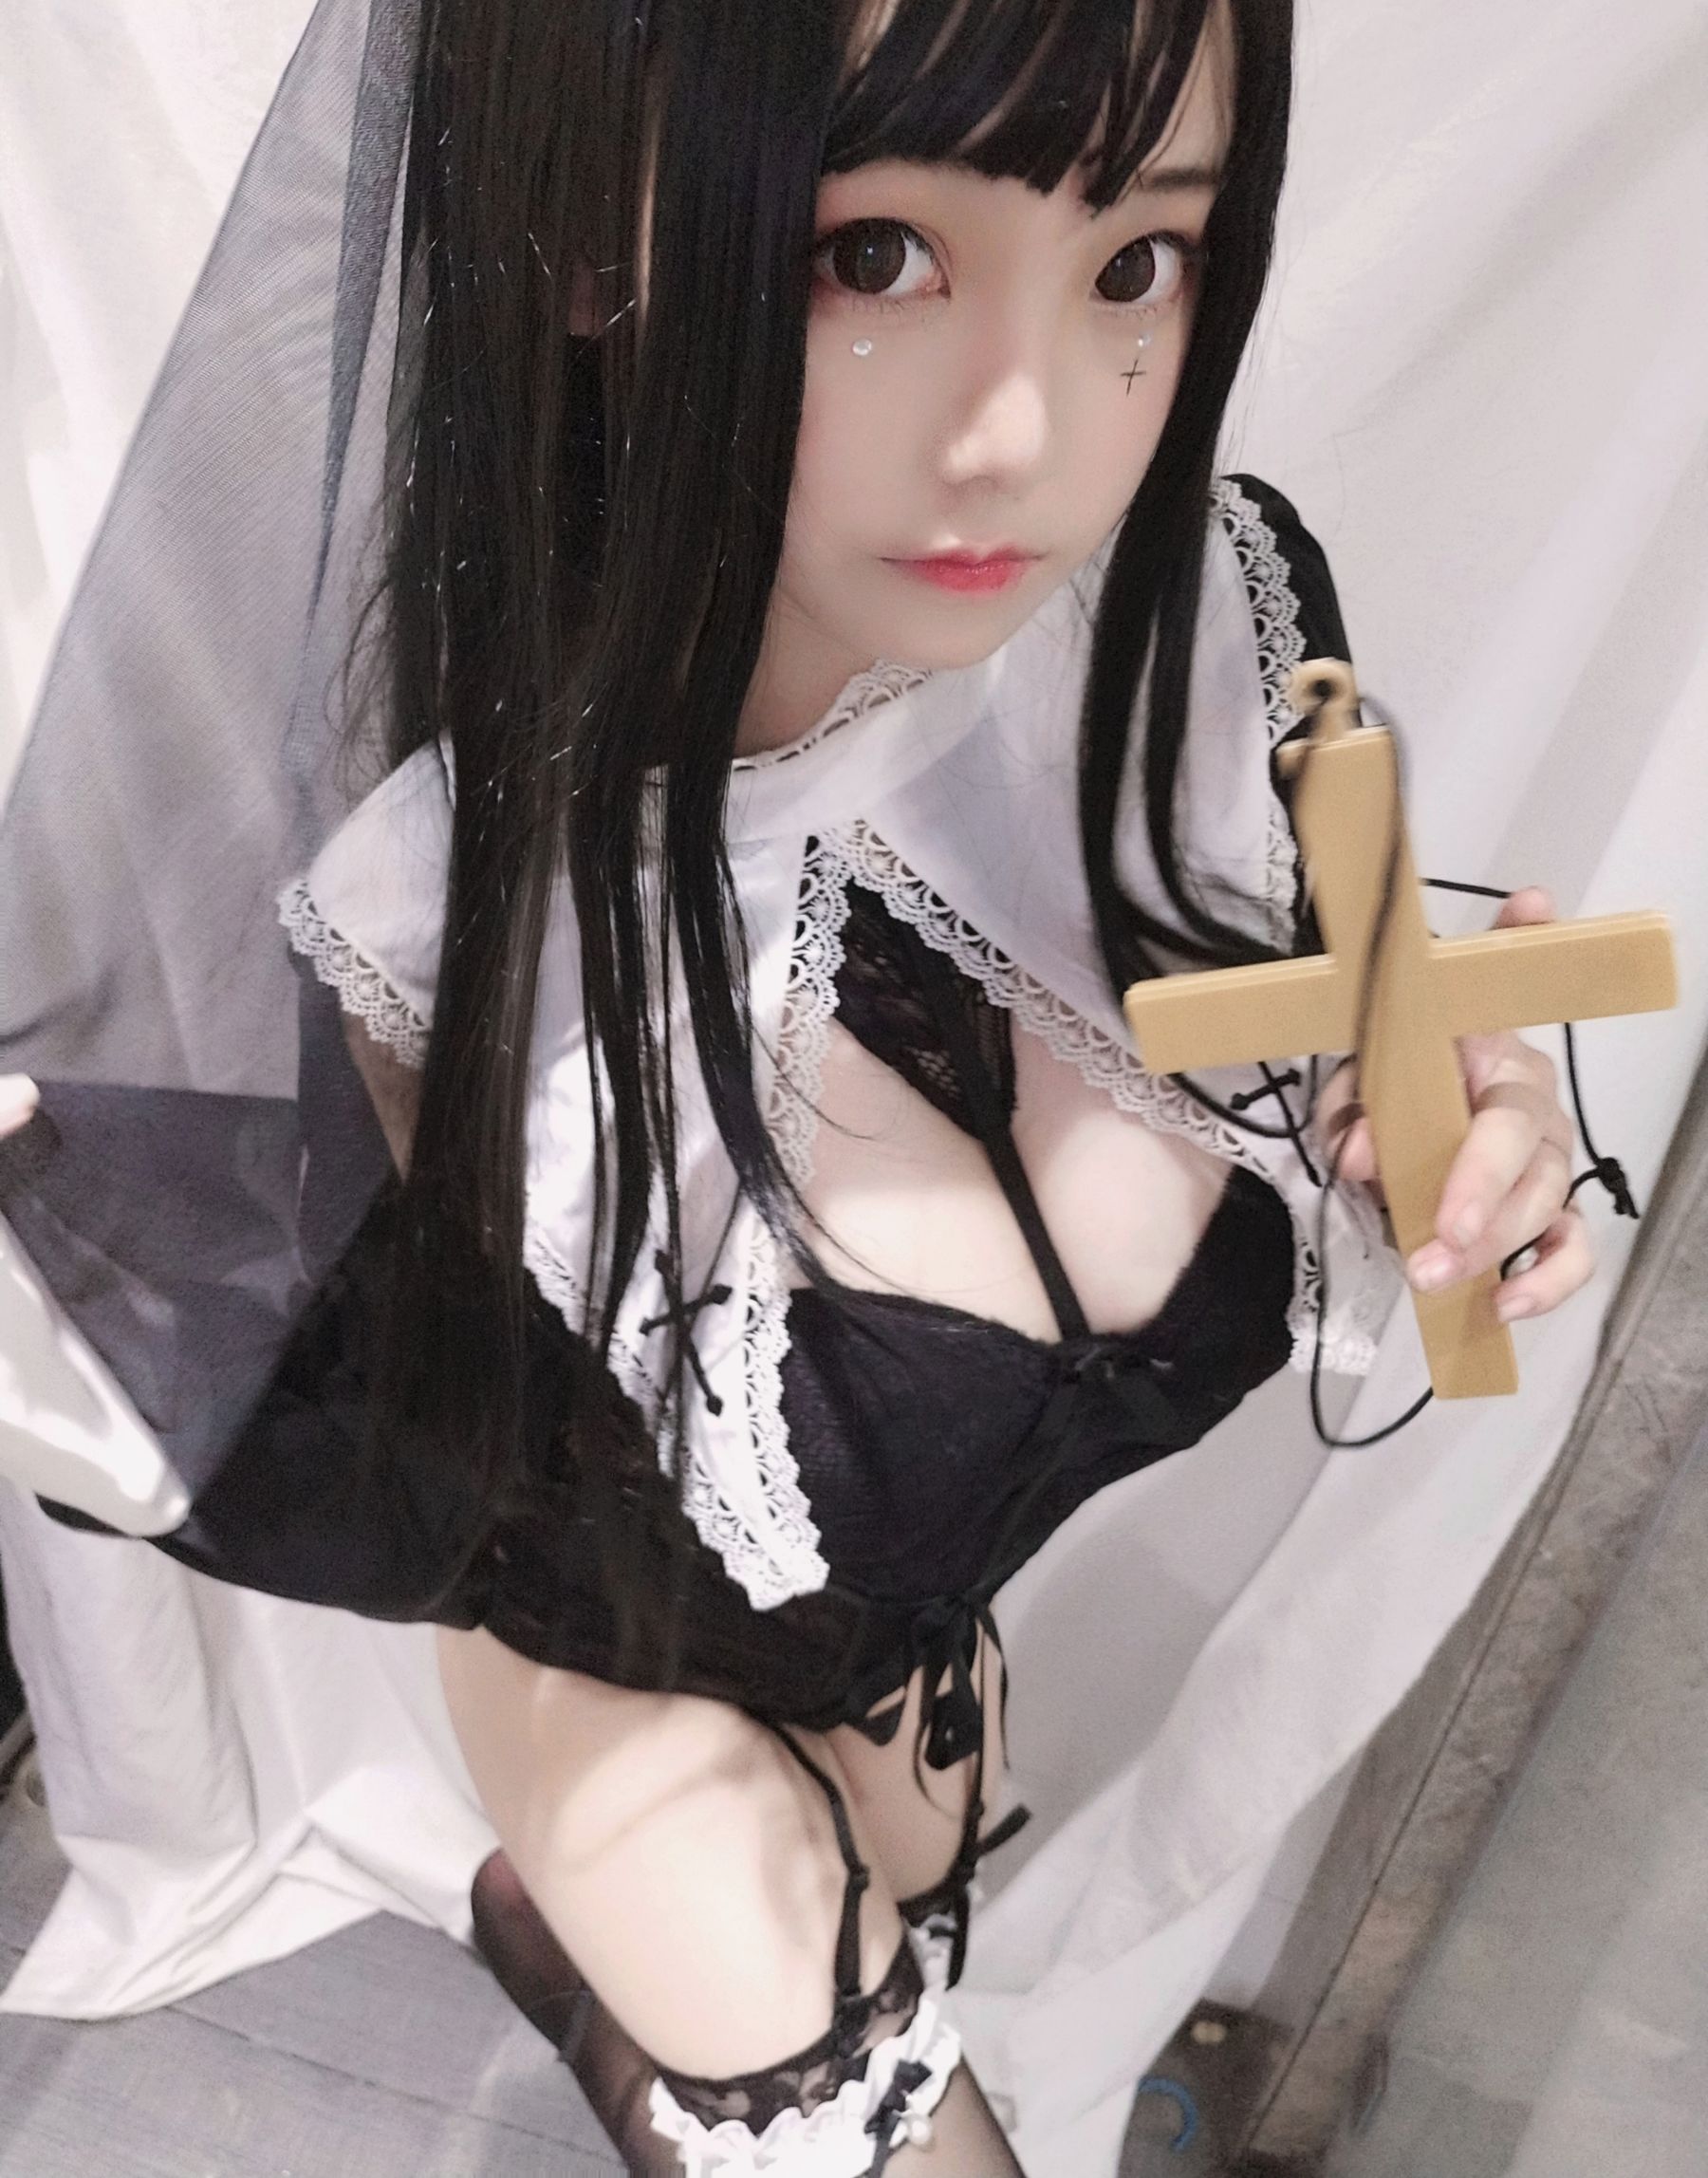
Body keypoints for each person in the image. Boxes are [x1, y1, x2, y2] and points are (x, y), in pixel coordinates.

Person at [0, 0, 1593, 2167]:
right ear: (591, 242)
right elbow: (286, 1381)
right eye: (874, 256)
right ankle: (608, 1953)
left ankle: (592, 1993)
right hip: (643, 1762)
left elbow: (1355, 1017)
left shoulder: (1196, 655)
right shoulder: (457, 931)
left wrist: (1461, 1120)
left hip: (930, 1730)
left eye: (1137, 261)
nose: (1025, 431)